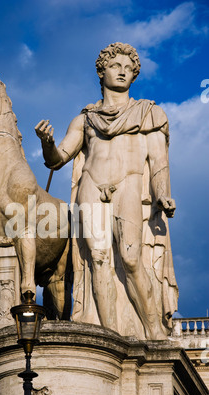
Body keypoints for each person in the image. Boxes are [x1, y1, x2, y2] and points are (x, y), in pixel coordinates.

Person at [35, 42, 178, 340]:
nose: (123, 72)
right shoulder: (85, 118)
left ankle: (153, 330)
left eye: (129, 68)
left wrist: (162, 193)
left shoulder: (149, 113)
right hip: (91, 186)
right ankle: (110, 336)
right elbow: (59, 159)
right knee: (98, 258)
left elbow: (159, 163)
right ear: (102, 73)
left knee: (131, 259)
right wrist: (46, 143)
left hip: (129, 184)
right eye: (116, 66)